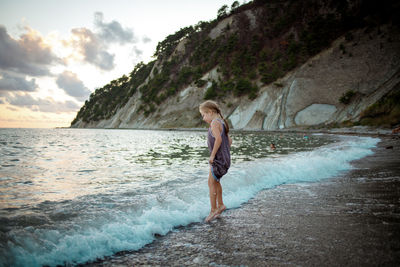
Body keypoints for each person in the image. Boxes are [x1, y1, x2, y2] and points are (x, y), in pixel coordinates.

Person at [199, 100, 232, 222]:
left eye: (203, 115)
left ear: (210, 112)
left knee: (211, 183)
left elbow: (218, 139)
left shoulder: (214, 123)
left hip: (218, 160)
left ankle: (213, 210)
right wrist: (224, 153)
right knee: (215, 181)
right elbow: (229, 141)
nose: (203, 118)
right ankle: (221, 205)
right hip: (224, 160)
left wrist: (213, 155)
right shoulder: (222, 122)